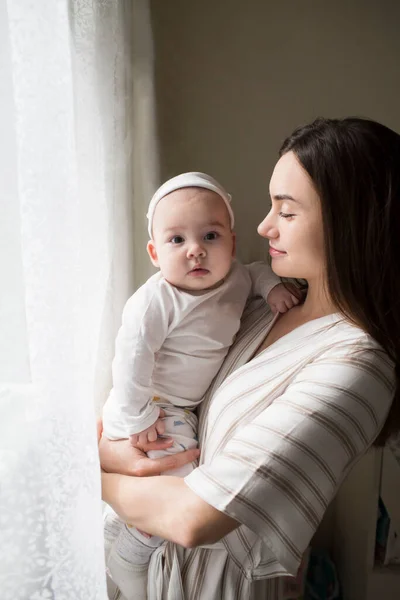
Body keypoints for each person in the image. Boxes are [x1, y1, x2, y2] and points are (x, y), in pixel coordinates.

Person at [100, 117, 400, 600]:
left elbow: (194, 518)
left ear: (349, 220)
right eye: (270, 205)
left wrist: (96, 473)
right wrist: (113, 445)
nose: (263, 226)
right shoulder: (261, 306)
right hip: (157, 565)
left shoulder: (356, 367)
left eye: (286, 210)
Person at [101, 171, 300, 598]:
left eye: (210, 236)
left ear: (231, 240)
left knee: (166, 478)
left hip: (179, 407)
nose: (195, 251)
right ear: (155, 252)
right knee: (176, 481)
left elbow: (257, 271)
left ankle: (112, 537)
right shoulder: (156, 300)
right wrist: (138, 416)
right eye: (177, 241)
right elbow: (131, 359)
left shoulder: (238, 279)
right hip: (150, 406)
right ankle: (131, 554)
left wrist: (271, 291)